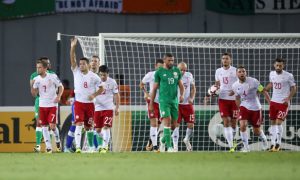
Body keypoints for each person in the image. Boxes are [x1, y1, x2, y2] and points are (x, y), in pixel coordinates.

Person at [70, 38, 102, 153]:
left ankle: (91, 147)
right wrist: (73, 47)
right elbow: (72, 59)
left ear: (88, 65)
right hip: (79, 103)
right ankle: (78, 147)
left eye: (83, 64)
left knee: (89, 127)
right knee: (78, 124)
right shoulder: (76, 72)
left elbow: (101, 88)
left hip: (90, 105)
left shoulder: (94, 76)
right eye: (80, 64)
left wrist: (94, 95)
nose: (81, 65)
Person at [150, 53, 185, 152]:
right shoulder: (159, 72)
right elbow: (154, 89)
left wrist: (182, 95)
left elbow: (181, 86)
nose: (171, 62)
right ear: (164, 60)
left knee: (174, 126)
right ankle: (169, 147)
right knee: (167, 121)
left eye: (172, 60)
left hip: (174, 102)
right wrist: (151, 103)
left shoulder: (176, 71)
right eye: (169, 60)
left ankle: (163, 139)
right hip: (164, 101)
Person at [204, 52, 238, 152]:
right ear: (221, 60)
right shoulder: (218, 71)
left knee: (233, 123)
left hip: (234, 100)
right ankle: (231, 145)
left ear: (230, 60)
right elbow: (217, 84)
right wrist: (212, 92)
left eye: (227, 58)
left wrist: (234, 91)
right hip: (222, 99)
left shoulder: (235, 70)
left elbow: (239, 83)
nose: (225, 60)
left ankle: (233, 140)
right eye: (223, 58)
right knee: (226, 122)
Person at [232, 65, 269, 152]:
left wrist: (270, 102)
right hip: (244, 106)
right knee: (242, 125)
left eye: (243, 71)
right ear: (236, 74)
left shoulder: (254, 81)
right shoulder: (234, 85)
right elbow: (237, 98)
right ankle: (246, 147)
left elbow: (263, 90)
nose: (242, 73)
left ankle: (264, 139)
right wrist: (239, 108)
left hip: (256, 107)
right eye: (240, 72)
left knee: (256, 131)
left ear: (246, 73)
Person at [31, 60, 64, 153]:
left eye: (40, 67)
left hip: (52, 104)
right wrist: (32, 87)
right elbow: (34, 94)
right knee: (44, 126)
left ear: (45, 68)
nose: (38, 69)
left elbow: (61, 86)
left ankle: (58, 141)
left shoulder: (52, 76)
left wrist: (58, 96)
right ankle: (48, 147)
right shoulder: (36, 79)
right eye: (37, 67)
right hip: (42, 105)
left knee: (52, 126)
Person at [265, 57, 297, 152]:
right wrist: (265, 89)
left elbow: (294, 88)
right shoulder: (272, 74)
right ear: (274, 65)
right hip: (273, 102)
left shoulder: (288, 75)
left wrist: (288, 98)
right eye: (277, 65)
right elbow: (272, 84)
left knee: (279, 122)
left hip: (283, 103)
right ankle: (272, 144)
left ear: (283, 66)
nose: (278, 67)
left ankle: (278, 143)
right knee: (273, 123)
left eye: (280, 65)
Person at [94, 65, 120, 153]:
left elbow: (116, 95)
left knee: (106, 127)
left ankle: (105, 146)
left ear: (107, 74)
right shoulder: (95, 81)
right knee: (97, 130)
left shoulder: (112, 82)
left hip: (108, 108)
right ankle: (105, 140)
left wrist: (117, 107)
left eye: (104, 75)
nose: (102, 77)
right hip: (97, 108)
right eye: (101, 75)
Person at [140, 59, 164, 152]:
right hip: (152, 102)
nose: (160, 69)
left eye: (162, 67)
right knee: (154, 124)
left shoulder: (165, 76)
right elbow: (141, 84)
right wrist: (145, 93)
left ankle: (150, 140)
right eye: (159, 67)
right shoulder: (150, 75)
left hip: (162, 103)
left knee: (158, 125)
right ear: (155, 66)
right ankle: (155, 147)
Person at [172, 62, 196, 152]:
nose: (182, 71)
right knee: (176, 125)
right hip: (176, 105)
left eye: (184, 70)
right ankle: (175, 146)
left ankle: (186, 139)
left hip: (187, 104)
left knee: (191, 125)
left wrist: (192, 98)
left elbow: (193, 88)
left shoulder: (189, 75)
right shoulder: (172, 76)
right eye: (180, 70)